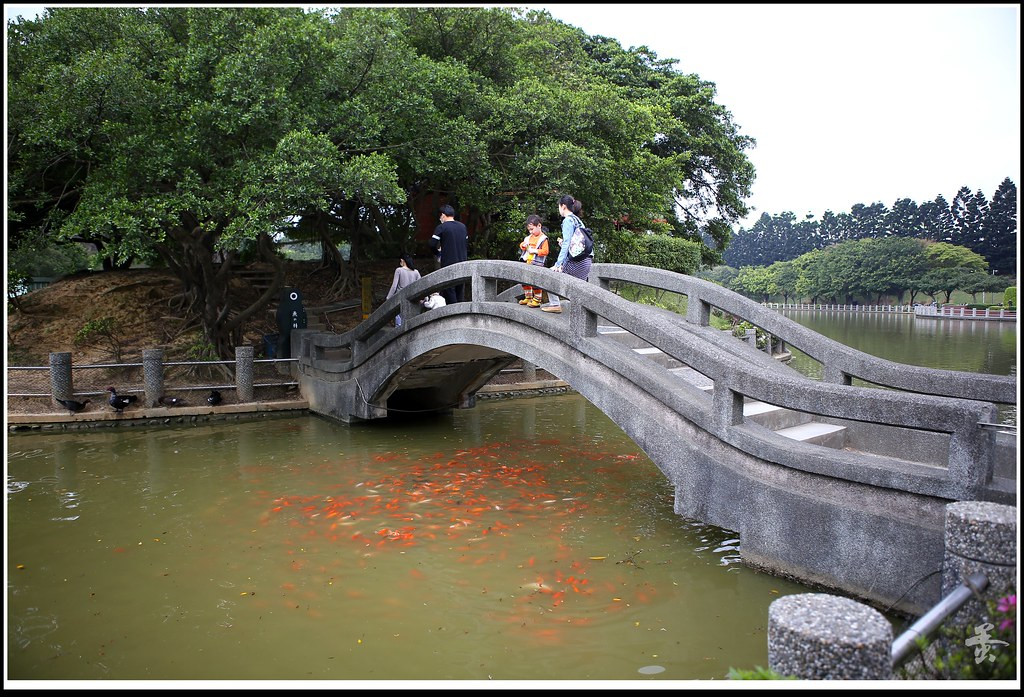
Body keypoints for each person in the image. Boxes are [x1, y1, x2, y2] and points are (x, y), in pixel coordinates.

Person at [542, 195, 592, 314]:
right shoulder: (578, 220)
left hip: (576, 262)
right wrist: (563, 243)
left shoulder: (568, 220)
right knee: (579, 291)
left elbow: (567, 244)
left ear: (563, 206)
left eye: (558, 206)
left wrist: (558, 264)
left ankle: (555, 304)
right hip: (586, 260)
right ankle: (583, 315)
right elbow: (578, 243)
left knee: (549, 275)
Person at [429, 204, 469, 305]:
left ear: (443, 215)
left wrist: (438, 253)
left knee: (449, 290)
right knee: (459, 291)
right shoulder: (463, 227)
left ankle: (454, 316)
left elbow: (432, 244)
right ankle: (460, 314)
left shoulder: (442, 227)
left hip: (448, 264)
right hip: (463, 263)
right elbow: (466, 244)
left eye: (440, 216)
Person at [518, 214, 549, 308]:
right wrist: (523, 245)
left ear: (539, 226)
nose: (531, 231)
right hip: (527, 262)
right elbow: (522, 245)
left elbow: (545, 251)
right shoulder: (528, 238)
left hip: (537, 264)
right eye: (529, 230)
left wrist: (535, 250)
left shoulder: (543, 239)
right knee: (524, 281)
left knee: (535, 282)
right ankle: (528, 297)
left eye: (532, 229)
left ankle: (537, 299)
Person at [386, 254, 421, 327]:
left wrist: (388, 298)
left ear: (402, 260)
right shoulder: (416, 272)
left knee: (399, 321)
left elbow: (394, 286)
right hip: (412, 298)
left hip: (400, 298)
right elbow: (420, 285)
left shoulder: (399, 270)